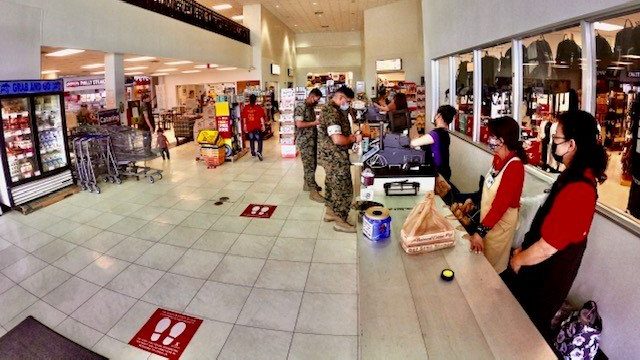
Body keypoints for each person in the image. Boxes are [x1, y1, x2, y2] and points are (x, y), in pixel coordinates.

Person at [506, 110, 607, 341]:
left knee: (526, 330)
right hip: (541, 267)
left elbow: (548, 246)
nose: (553, 142)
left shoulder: (579, 189)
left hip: (547, 276)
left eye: (557, 138)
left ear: (572, 144)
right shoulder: (573, 175)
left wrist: (518, 260)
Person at [469, 116, 527, 273]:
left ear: (504, 139)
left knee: (491, 267)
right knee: (481, 260)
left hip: (500, 224)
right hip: (488, 220)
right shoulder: (497, 159)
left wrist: (480, 232)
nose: (489, 139)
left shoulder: (515, 167)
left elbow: (501, 205)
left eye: (493, 136)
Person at [318, 85, 362, 233]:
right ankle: (340, 221)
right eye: (348, 101)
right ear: (341, 98)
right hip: (334, 155)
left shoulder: (336, 109)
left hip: (331, 155)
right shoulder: (331, 112)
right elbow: (337, 139)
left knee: (332, 184)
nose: (348, 104)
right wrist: (353, 138)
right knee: (343, 187)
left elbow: (349, 121)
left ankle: (330, 213)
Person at [410, 105, 456, 180]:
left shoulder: (436, 134)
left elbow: (413, 143)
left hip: (437, 174)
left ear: (439, 116)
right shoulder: (444, 133)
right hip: (444, 172)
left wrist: (415, 137)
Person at [295, 88, 324, 202]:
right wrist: (315, 123)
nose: (317, 102)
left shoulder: (310, 107)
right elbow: (299, 124)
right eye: (316, 99)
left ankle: (308, 185)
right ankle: (313, 192)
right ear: (312, 96)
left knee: (313, 164)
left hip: (311, 139)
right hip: (305, 141)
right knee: (309, 166)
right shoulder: (300, 107)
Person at [241, 94, 266, 161]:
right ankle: (259, 152)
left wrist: (245, 126)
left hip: (249, 127)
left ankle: (252, 152)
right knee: (259, 140)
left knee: (251, 139)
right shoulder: (258, 107)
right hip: (257, 126)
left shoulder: (246, 108)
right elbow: (261, 117)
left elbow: (244, 118)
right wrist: (263, 125)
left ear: (249, 99)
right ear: (255, 100)